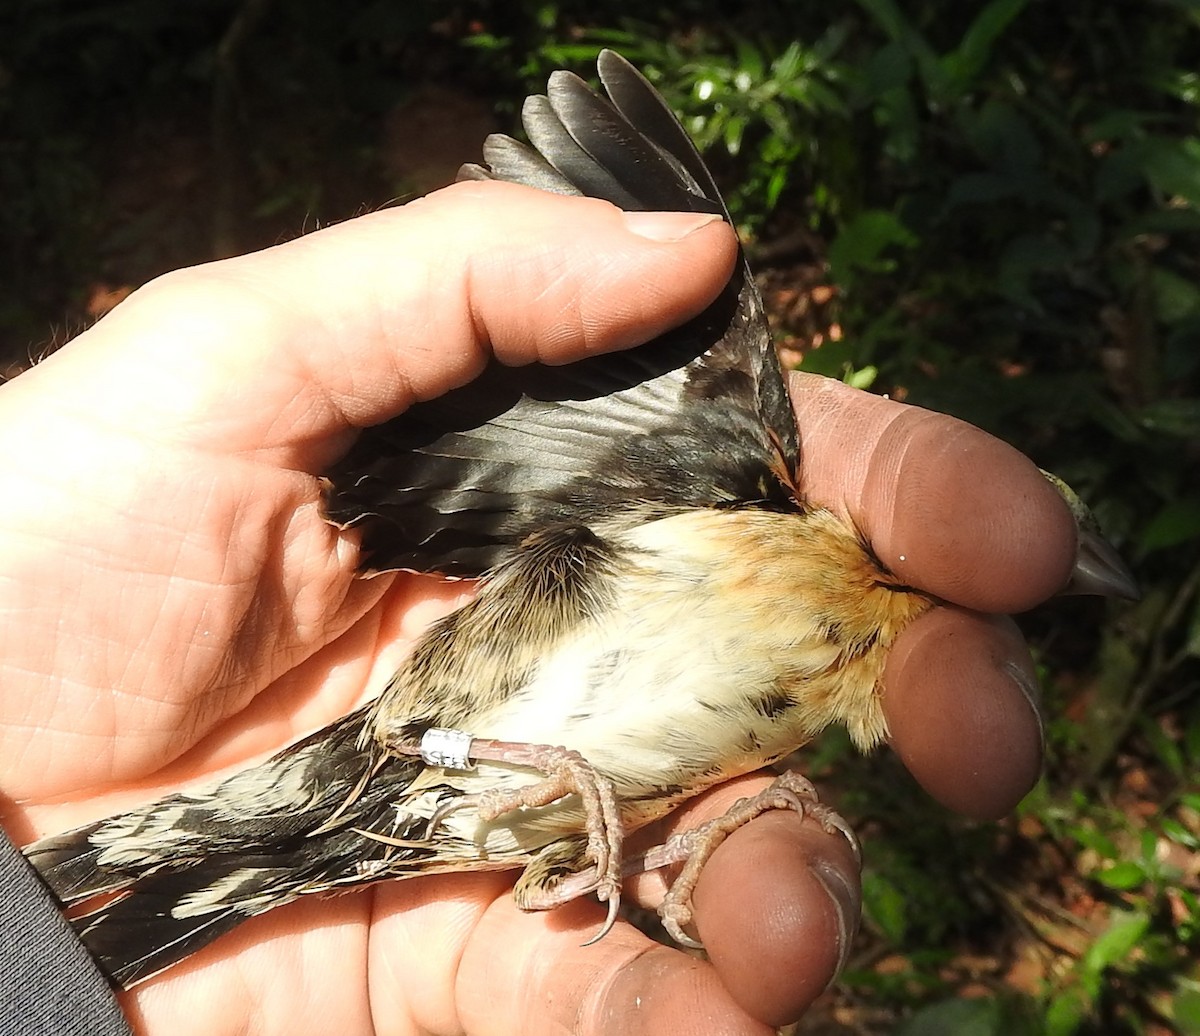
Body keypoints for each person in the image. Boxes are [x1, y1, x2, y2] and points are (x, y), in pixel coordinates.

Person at [0, 181, 1067, 1035]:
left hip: (448, 830)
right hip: (431, 732)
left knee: (171, 890)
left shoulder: (834, 692)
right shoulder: (768, 509)